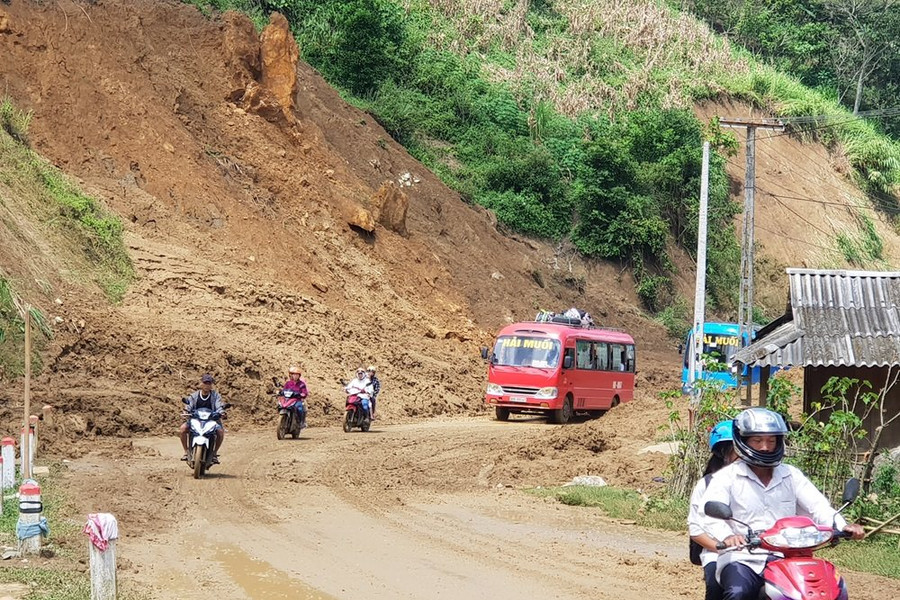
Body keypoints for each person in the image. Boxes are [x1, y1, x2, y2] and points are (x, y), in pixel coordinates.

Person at [700, 408, 865, 600]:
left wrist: (843, 525)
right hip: (743, 557)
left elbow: (818, 506)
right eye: (757, 440)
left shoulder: (791, 475)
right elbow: (711, 515)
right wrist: (728, 536)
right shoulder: (726, 478)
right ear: (743, 441)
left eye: (771, 440)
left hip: (788, 556)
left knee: (833, 590)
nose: (765, 447)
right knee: (739, 593)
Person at [688, 420, 738, 600]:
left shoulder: (763, 482)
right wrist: (722, 547)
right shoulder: (707, 485)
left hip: (760, 552)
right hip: (717, 552)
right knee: (716, 585)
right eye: (737, 450)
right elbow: (695, 529)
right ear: (724, 452)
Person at [180, 373, 226, 463]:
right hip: (195, 420)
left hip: (211, 421)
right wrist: (186, 412)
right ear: (201, 384)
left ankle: (214, 454)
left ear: (211, 385)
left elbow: (219, 406)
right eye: (205, 383)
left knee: (220, 432)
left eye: (209, 383)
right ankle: (186, 452)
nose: (207, 385)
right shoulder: (194, 396)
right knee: (182, 429)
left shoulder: (215, 396)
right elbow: (189, 405)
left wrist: (221, 413)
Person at [283, 365, 309, 429]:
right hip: (288, 400)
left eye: (297, 375)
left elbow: (304, 392)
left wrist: (302, 394)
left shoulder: (302, 384)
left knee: (299, 408)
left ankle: (301, 422)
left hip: (297, 400)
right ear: (291, 375)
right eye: (294, 374)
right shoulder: (288, 383)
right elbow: (284, 390)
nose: (295, 376)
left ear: (299, 376)